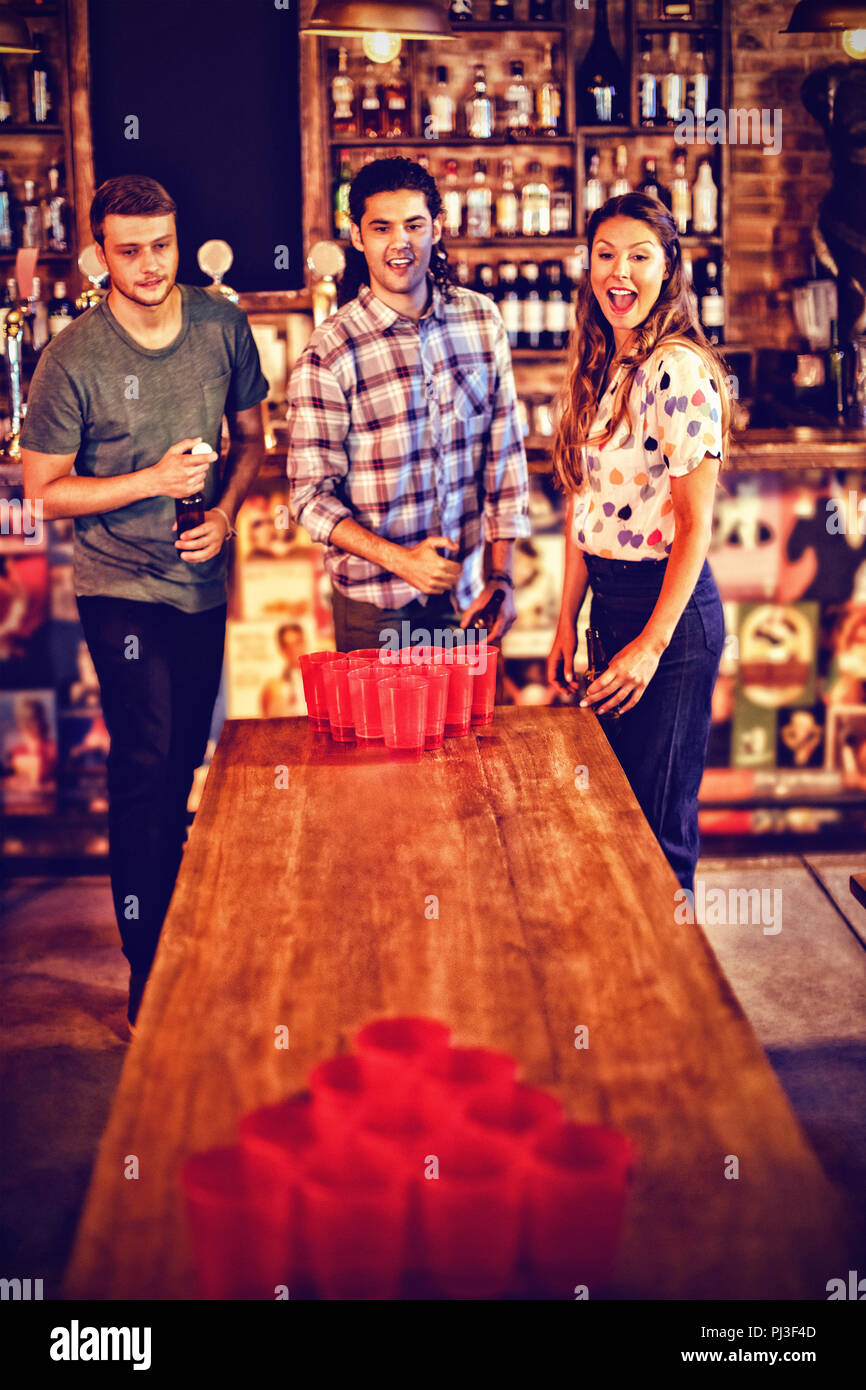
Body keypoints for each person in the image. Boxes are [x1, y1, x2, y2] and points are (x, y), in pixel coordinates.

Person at [21, 174, 268, 1033]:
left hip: (200, 582)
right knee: (147, 763)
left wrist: (227, 513)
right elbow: (45, 491)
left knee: (181, 769)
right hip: (118, 585)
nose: (151, 264)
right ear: (101, 255)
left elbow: (252, 438)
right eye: (130, 251)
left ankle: (175, 947)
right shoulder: (72, 357)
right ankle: (149, 971)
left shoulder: (221, 325)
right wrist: (151, 481)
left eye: (162, 245)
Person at [547, 192, 730, 896]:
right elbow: (584, 504)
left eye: (639, 257)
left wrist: (651, 645)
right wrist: (566, 620)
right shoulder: (607, 361)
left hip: (668, 621)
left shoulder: (676, 368)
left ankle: (673, 966)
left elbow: (695, 526)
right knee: (617, 819)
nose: (618, 272)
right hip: (612, 604)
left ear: (668, 269)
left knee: (658, 831)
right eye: (605, 255)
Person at [286, 157, 530, 652]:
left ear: (437, 228)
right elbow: (309, 498)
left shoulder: (481, 321)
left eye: (414, 225)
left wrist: (501, 577)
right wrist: (402, 561)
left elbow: (504, 458)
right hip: (376, 605)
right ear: (357, 236)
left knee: (474, 709)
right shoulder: (330, 351)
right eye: (382, 228)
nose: (400, 242)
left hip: (468, 595)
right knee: (380, 712)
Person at [260, 622, 306, 717]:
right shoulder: (273, 687)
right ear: (282, 649)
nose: (293, 649)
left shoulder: (317, 680)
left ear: (304, 643)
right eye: (287, 645)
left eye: (297, 643)